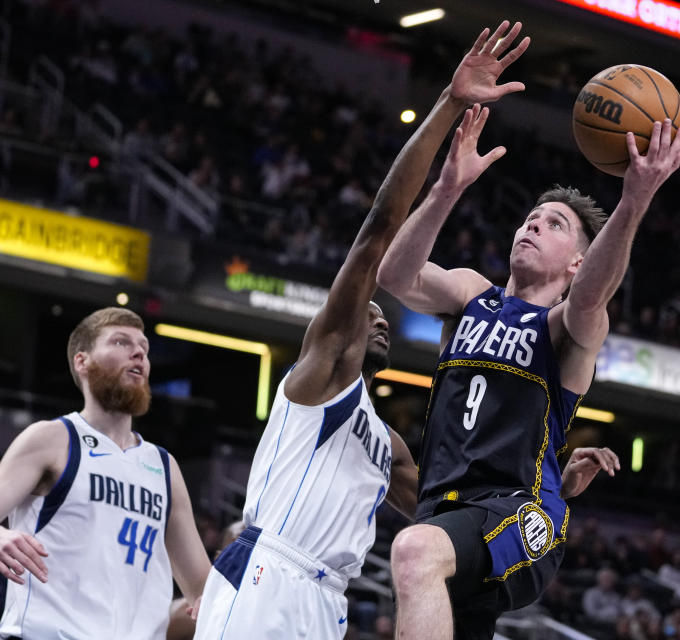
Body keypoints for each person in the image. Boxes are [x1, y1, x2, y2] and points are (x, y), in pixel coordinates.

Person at [191, 20, 531, 640]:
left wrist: (556, 471)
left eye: (382, 316)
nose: (376, 316)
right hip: (271, 571)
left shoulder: (389, 445)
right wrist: (450, 102)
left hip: (329, 600)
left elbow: (452, 511)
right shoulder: (319, 377)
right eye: (366, 312)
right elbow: (378, 229)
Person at [377, 60, 680, 638]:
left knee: (413, 552)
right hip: (447, 511)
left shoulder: (563, 328)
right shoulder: (471, 294)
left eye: (554, 224)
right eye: (531, 217)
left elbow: (592, 297)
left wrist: (634, 199)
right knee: (418, 540)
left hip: (520, 515)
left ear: (576, 261)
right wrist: (449, 187)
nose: (533, 226)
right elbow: (395, 274)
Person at [0, 307, 210, 639]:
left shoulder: (164, 467)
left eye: (144, 347)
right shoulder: (52, 439)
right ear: (83, 362)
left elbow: (202, 589)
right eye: (121, 342)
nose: (139, 351)